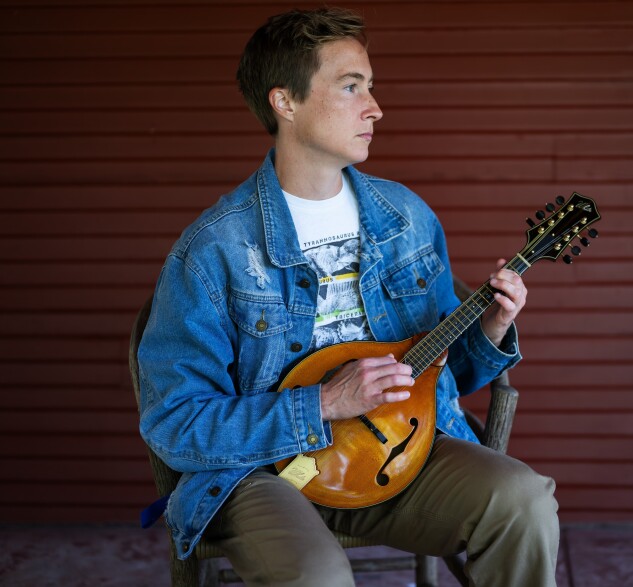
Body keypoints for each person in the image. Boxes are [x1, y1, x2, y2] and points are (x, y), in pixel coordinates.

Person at [137, 6, 559, 586]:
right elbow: (176, 423)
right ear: (285, 103)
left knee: (524, 500)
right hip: (265, 473)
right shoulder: (214, 250)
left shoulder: (405, 217)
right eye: (351, 87)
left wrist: (487, 331)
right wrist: (325, 405)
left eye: (371, 87)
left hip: (395, 456)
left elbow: (439, 373)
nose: (375, 108)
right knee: (318, 576)